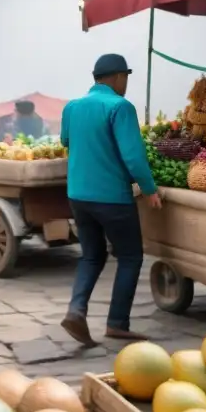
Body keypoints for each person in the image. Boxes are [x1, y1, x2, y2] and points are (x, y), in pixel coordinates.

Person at [60, 53, 161, 346]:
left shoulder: (72, 107)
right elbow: (133, 156)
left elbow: (66, 142)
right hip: (112, 198)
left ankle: (76, 310)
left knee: (91, 256)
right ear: (118, 77)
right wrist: (150, 189)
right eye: (125, 78)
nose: (126, 83)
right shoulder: (120, 107)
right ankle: (117, 323)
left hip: (78, 195)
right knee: (130, 256)